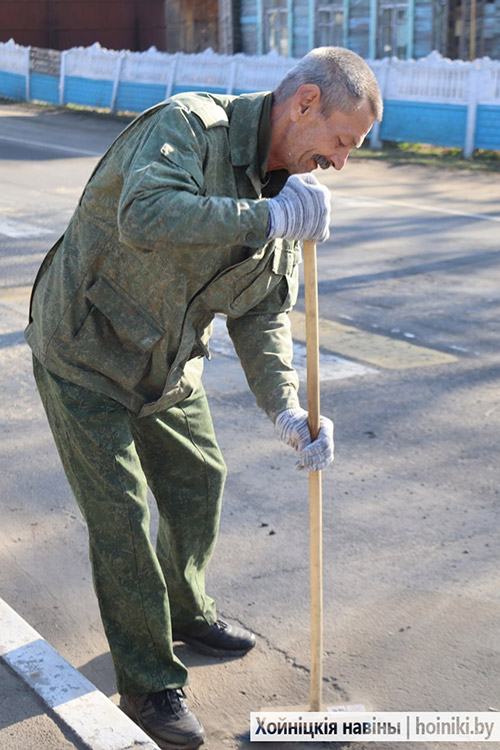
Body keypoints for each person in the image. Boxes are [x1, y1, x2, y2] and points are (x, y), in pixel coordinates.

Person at [25, 46, 382, 750]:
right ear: (305, 103)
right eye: (342, 141)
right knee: (122, 518)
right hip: (85, 349)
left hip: (166, 365)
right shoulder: (189, 129)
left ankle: (186, 610)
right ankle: (149, 684)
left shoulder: (288, 192)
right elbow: (146, 214)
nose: (340, 163)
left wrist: (286, 407)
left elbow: (262, 311)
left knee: (199, 481)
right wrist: (265, 219)